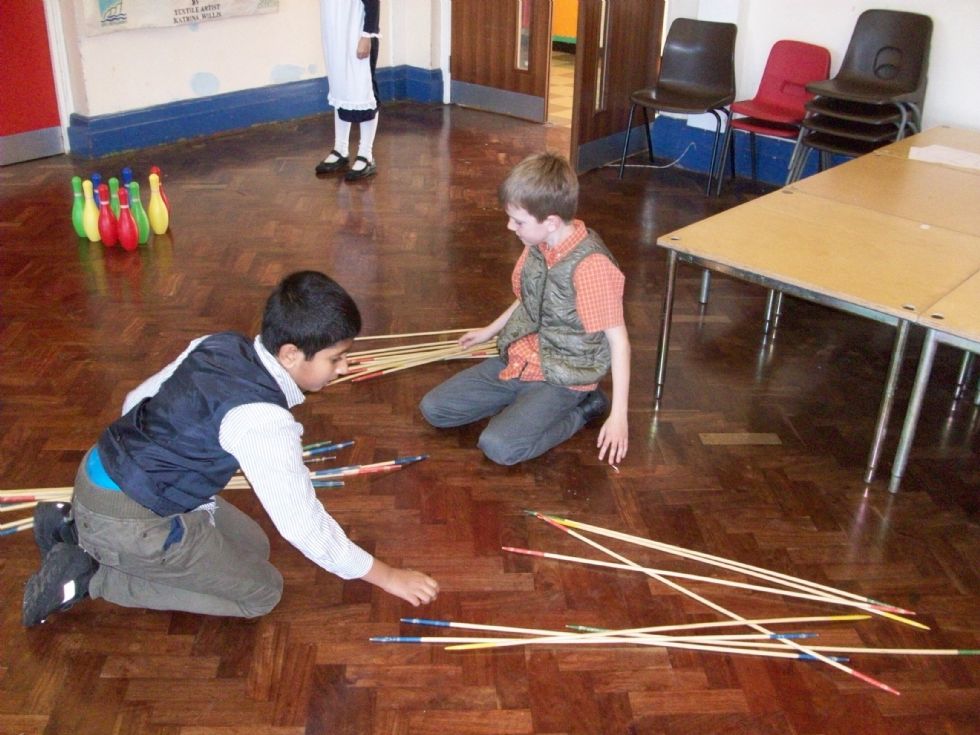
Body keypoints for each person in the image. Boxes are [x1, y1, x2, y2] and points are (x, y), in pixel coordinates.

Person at [23, 271, 439, 627]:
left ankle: (73, 526)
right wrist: (386, 576)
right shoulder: (263, 421)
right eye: (336, 358)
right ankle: (91, 576)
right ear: (291, 354)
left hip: (98, 474)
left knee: (254, 545)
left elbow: (135, 401)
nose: (344, 367)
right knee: (262, 592)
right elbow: (302, 526)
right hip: (130, 520)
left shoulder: (219, 343)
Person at [419, 152, 630, 466]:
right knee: (435, 409)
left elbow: (619, 343)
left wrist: (619, 417)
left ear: (551, 222)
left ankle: (583, 410)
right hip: (523, 357)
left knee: (500, 448)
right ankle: (524, 406)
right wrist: (489, 331)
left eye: (518, 220)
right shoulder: (539, 243)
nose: (509, 226)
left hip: (563, 376)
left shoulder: (591, 268)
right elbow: (531, 297)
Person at [315, 0, 381, 182]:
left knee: (362, 91)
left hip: (357, 36)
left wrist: (367, 35)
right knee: (340, 90)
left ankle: (366, 155)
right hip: (336, 37)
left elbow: (373, 3)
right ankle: (340, 149)